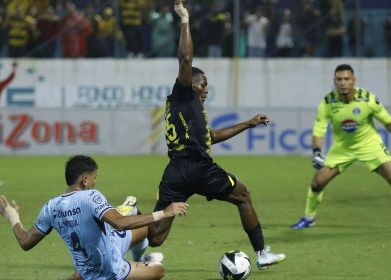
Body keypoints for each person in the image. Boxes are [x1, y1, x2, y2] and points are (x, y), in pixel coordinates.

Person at [147, 0, 285, 270]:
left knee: (156, 237)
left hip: (176, 171)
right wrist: (184, 19)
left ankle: (129, 223)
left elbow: (211, 136)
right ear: (191, 82)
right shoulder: (184, 92)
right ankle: (261, 254)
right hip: (198, 167)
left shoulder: (188, 109)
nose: (206, 89)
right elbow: (186, 59)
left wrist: (247, 123)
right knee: (243, 196)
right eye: (203, 84)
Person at [0, 155, 188, 280]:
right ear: (85, 180)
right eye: (94, 177)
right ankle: (136, 261)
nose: (95, 181)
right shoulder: (91, 196)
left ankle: (135, 249)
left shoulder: (51, 207)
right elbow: (120, 224)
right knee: (158, 269)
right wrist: (164, 212)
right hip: (111, 270)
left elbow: (25, 242)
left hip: (93, 260)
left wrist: (12, 216)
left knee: (141, 228)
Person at [291, 64, 391, 229]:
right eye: (339, 79)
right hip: (341, 149)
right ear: (334, 81)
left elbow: (388, 122)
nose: (343, 83)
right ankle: (309, 218)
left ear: (354, 80)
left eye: (346, 79)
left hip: (370, 146)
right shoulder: (327, 103)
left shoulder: (368, 99)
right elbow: (319, 130)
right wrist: (316, 152)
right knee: (317, 183)